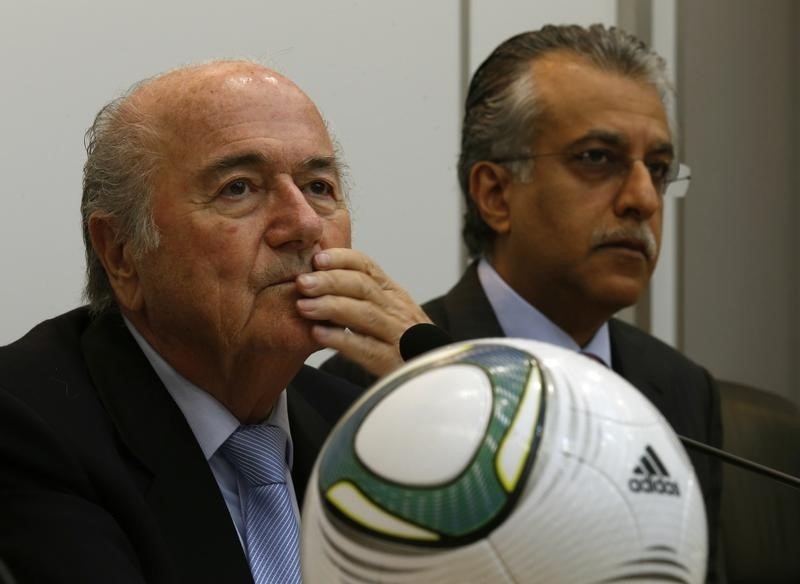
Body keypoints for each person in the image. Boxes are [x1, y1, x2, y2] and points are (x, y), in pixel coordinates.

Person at [321, 24, 725, 582]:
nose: (642, 199)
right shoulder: (377, 378)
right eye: (597, 158)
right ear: (495, 194)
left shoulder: (680, 387)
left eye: (657, 169)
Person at [0, 60, 429, 583]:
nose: (303, 225)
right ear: (121, 253)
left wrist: (447, 379)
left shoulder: (365, 429)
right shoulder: (25, 422)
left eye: (318, 186)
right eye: (239, 188)